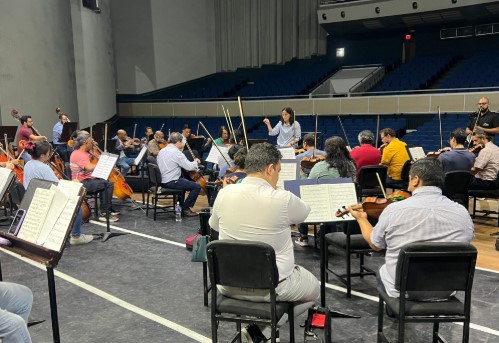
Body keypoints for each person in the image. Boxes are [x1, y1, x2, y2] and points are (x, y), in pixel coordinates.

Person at [209, 142, 319, 342]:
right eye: (278, 170)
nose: (277, 175)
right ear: (270, 169)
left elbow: (214, 226)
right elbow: (305, 213)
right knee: (314, 290)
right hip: (271, 287)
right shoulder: (282, 198)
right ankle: (262, 331)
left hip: (226, 283)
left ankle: (260, 332)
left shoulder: (224, 193)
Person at [347, 158, 474, 299]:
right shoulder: (462, 212)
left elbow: (375, 245)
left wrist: (361, 218)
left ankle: (396, 312)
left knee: (383, 270)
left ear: (415, 180)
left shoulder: (394, 209)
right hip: (447, 289)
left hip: (404, 289)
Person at [23, 140, 93, 245]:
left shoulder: (28, 164)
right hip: (45, 201)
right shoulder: (44, 167)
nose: (50, 155)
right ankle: (76, 236)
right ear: (42, 155)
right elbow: (59, 187)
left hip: (32, 200)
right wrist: (73, 183)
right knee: (77, 206)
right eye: (48, 153)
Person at [296, 136, 356, 246]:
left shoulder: (320, 166)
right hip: (344, 205)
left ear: (327, 151)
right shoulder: (351, 165)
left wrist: (302, 174)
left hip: (323, 205)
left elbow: (308, 186)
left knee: (299, 197)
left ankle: (303, 236)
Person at [70, 132, 119, 222]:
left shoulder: (84, 152)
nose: (92, 144)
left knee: (105, 180)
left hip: (88, 179)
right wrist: (105, 163)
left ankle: (106, 208)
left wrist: (103, 157)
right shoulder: (79, 154)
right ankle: (104, 213)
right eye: (90, 143)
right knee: (108, 185)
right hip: (81, 183)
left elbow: (94, 159)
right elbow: (89, 167)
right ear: (85, 143)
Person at [157, 132, 202, 217]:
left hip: (162, 181)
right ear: (178, 142)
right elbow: (189, 167)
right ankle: (185, 209)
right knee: (196, 186)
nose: (183, 144)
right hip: (171, 181)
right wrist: (196, 162)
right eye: (182, 142)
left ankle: (180, 207)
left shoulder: (162, 151)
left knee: (183, 181)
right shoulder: (177, 153)